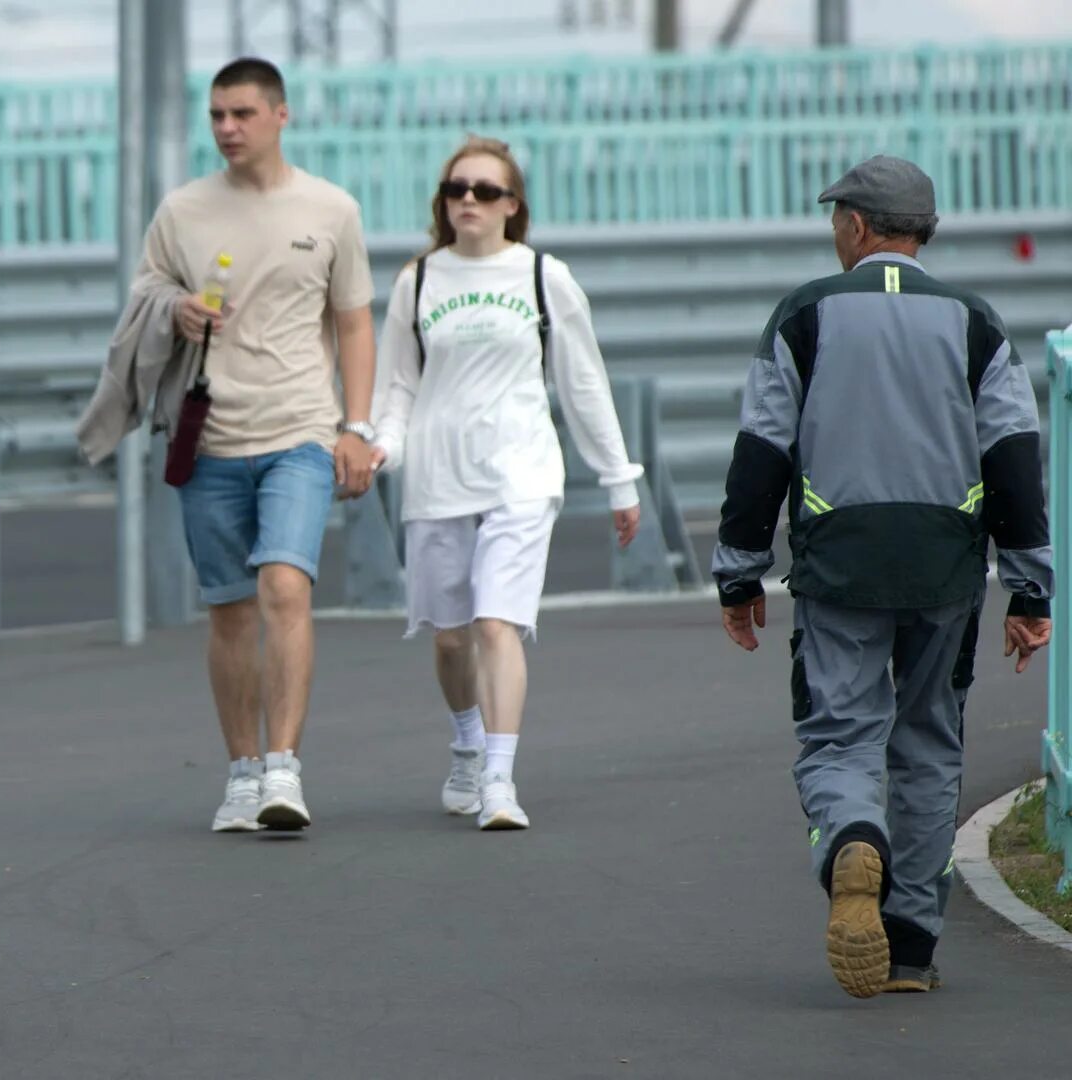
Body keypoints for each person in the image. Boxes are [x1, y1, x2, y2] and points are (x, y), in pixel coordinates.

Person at [713, 155, 1053, 998]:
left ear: (858, 227)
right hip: (946, 561)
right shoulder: (974, 320)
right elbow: (1013, 455)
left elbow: (761, 452)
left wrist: (739, 572)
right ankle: (909, 946)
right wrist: (1030, 586)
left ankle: (852, 836)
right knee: (930, 739)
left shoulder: (804, 314)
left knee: (840, 733)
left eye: (837, 218)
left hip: (841, 559)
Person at [366, 136, 643, 830]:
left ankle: (498, 775)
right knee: (451, 636)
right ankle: (466, 741)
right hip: (436, 476)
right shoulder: (418, 281)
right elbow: (397, 382)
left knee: (498, 624)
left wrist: (619, 478)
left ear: (512, 205)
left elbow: (582, 380)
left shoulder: (543, 276)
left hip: (521, 470)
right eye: (457, 189)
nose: (468, 200)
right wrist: (381, 447)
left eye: (485, 191)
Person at [130, 58, 377, 833]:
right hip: (209, 437)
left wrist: (355, 426)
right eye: (216, 116)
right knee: (231, 610)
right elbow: (144, 294)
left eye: (241, 113)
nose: (227, 129)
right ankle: (241, 773)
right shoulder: (183, 209)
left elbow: (353, 322)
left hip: (299, 429)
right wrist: (177, 311)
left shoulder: (331, 209)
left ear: (280, 116)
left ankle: (283, 770)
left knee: (285, 588)